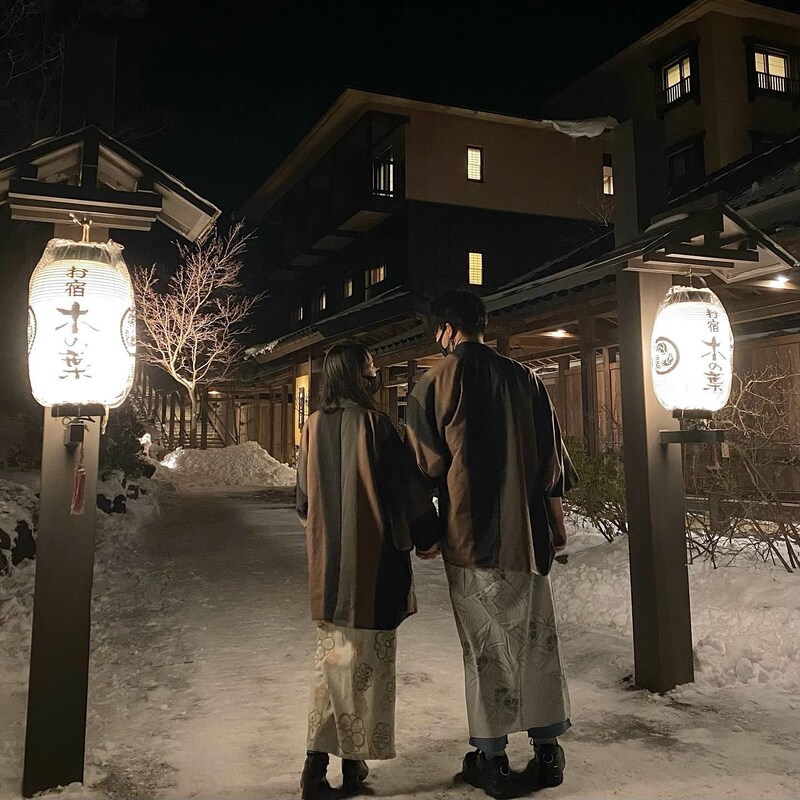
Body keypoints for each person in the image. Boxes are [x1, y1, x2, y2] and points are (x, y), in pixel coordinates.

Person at [405, 290, 577, 800]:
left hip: (469, 537)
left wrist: (426, 533)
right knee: (537, 643)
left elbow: (423, 467)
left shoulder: (434, 383)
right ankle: (548, 751)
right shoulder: (526, 379)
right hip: (526, 536)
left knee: (484, 649)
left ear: (447, 329)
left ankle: (493, 757)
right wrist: (555, 523)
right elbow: (550, 462)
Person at [296, 341, 441, 800]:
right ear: (358, 375)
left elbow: (303, 503)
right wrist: (428, 535)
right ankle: (344, 761)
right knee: (364, 668)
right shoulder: (376, 426)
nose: (375, 374)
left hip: (328, 572)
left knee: (331, 666)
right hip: (372, 569)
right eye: (371, 367)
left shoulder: (312, 426)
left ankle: (324, 764)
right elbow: (406, 491)